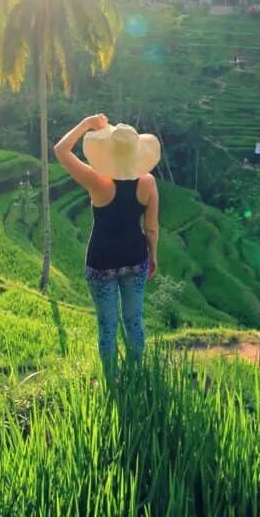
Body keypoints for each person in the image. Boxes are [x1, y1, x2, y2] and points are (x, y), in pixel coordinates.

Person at [54, 114, 161, 378]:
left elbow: (60, 150)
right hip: (136, 260)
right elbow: (151, 228)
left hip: (101, 262)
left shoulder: (96, 181)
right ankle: (136, 375)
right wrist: (153, 257)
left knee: (107, 326)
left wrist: (87, 124)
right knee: (134, 321)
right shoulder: (148, 183)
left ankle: (111, 379)